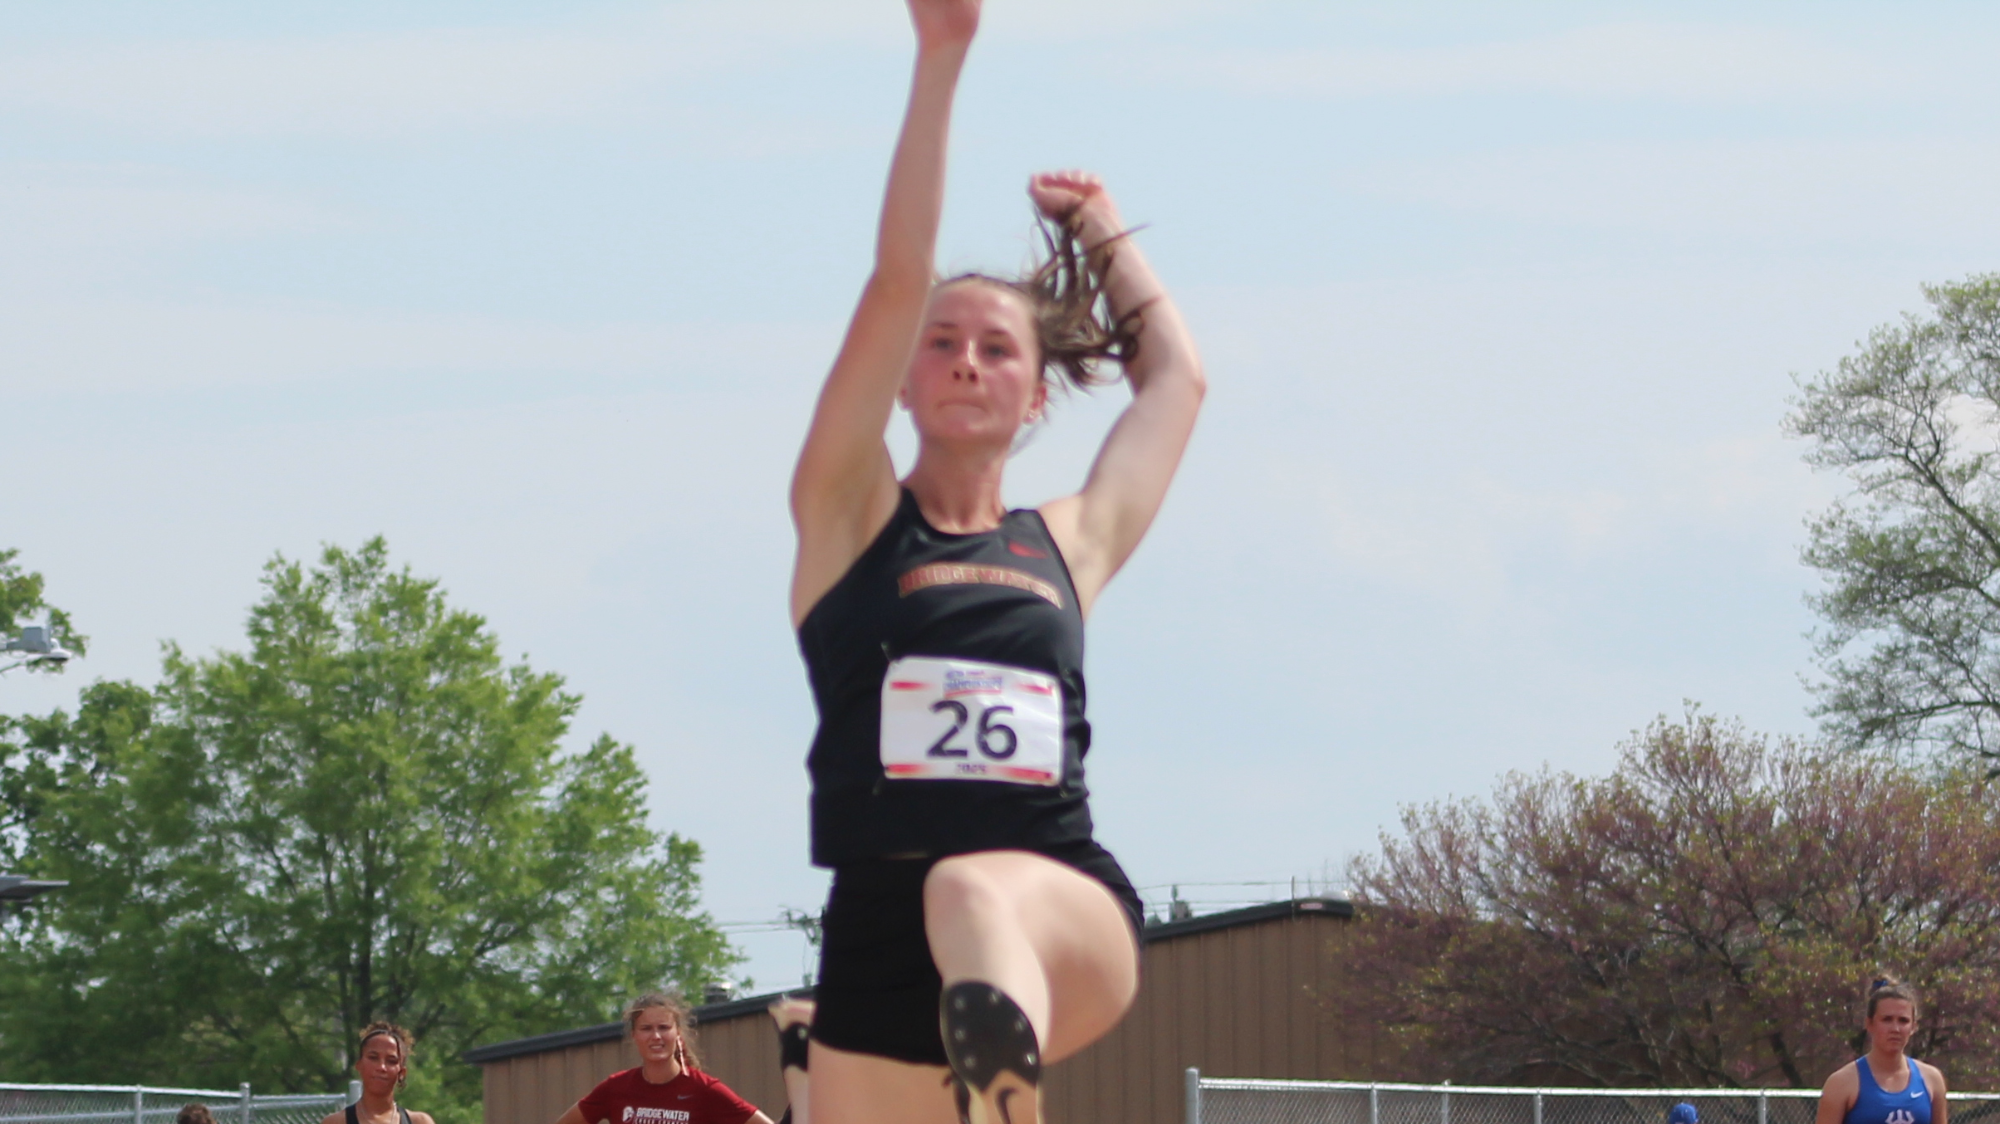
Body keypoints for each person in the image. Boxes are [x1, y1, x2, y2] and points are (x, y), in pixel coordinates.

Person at [788, 0, 1205, 1119]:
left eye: (995, 347)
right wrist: (940, 57)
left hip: (1052, 903)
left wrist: (1102, 232)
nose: (965, 361)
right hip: (878, 939)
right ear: (904, 381)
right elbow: (892, 280)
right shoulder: (845, 516)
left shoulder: (1067, 542)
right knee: (934, 891)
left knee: (969, 884)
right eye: (940, 343)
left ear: (1033, 390)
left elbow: (1175, 382)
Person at [557, 992, 776, 1124]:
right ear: (634, 1035)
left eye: (664, 1027)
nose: (656, 1036)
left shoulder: (704, 1089)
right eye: (646, 1029)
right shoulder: (615, 1088)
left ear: (678, 1033)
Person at [1815, 977, 1949, 1124]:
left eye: (1903, 1021)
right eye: (1887, 1019)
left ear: (1913, 1027)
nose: (1895, 1029)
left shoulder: (1931, 1079)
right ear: (1869, 1023)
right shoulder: (1842, 1083)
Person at [319, 1022, 434, 1124]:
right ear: (359, 1065)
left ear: (402, 1072)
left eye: (391, 1061)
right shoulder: (336, 1122)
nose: (381, 1067)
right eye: (373, 1058)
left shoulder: (419, 1121)